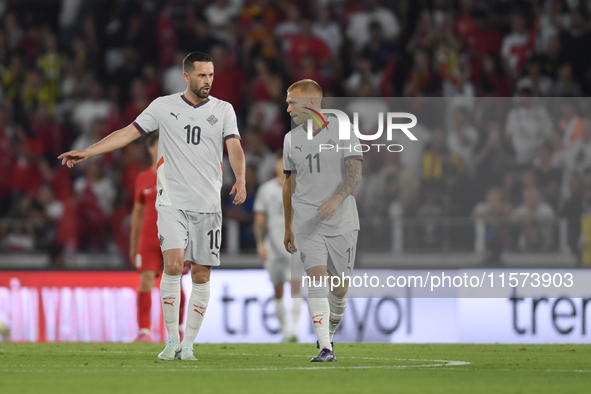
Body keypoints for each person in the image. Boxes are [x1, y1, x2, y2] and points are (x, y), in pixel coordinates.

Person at [58, 52, 246, 361]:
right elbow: (128, 134)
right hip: (171, 201)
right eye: (202, 75)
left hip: (208, 204)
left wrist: (239, 178)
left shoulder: (224, 110)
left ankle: (189, 344)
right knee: (172, 266)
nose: (208, 80)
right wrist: (89, 152)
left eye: (211, 75)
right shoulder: (163, 106)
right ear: (186, 77)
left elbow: (234, 145)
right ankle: (171, 339)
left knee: (200, 274)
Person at [282, 79, 363, 362]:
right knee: (316, 277)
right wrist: (287, 225)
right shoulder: (291, 139)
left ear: (311, 103)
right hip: (306, 220)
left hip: (341, 220)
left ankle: (327, 334)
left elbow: (355, 173)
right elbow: (288, 183)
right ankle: (325, 347)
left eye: (292, 101)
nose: (288, 107)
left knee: (339, 289)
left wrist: (336, 199)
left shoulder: (342, 130)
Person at [129, 131, 188, 342]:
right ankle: (144, 332)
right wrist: (133, 245)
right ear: (151, 148)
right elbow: (137, 214)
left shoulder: (180, 175)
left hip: (173, 237)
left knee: (174, 281)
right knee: (145, 281)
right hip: (148, 238)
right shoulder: (143, 177)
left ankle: (178, 330)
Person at [253, 154, 303, 343]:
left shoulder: (302, 188)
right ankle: (284, 331)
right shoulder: (266, 190)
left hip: (295, 247)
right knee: (278, 290)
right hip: (272, 247)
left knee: (296, 286)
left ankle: (294, 330)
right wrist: (260, 243)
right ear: (276, 165)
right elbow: (259, 220)